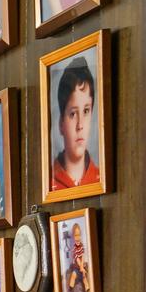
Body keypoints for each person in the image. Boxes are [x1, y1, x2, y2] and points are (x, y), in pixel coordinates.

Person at [49, 57, 102, 193]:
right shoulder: (49, 182)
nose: (80, 125)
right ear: (61, 123)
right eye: (73, 114)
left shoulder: (100, 178)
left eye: (85, 111)